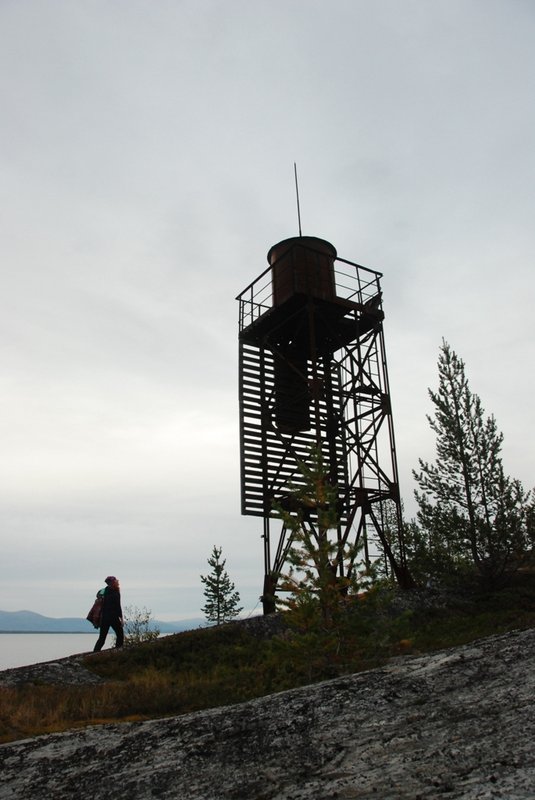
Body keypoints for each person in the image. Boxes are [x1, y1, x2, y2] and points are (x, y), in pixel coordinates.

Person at [93, 576, 124, 651]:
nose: (118, 581)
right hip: (113, 617)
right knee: (120, 635)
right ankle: (118, 650)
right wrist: (121, 618)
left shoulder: (104, 591)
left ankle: (95, 653)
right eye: (116, 580)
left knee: (102, 638)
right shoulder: (115, 592)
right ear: (112, 582)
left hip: (104, 618)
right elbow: (118, 606)